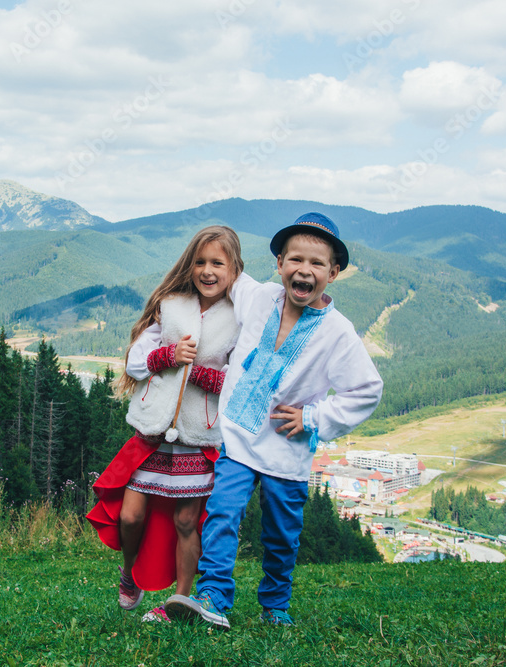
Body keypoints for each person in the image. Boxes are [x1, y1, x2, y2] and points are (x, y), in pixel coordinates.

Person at [164, 212, 383, 630]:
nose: (305, 270)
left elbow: (367, 389)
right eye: (295, 260)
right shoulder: (259, 297)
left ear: (334, 273)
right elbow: (223, 268)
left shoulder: (338, 332)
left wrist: (315, 416)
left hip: (287, 450)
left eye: (317, 264)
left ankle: (275, 605)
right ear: (279, 263)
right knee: (223, 513)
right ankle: (213, 595)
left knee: (282, 534)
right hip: (239, 439)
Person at [86, 225, 243, 623]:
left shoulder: (241, 317)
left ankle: (181, 599)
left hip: (198, 434)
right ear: (189, 265)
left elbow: (244, 378)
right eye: (200, 262)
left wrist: (209, 378)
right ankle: (130, 574)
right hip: (155, 431)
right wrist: (168, 355)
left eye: (217, 263)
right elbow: (136, 360)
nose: (208, 271)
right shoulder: (171, 305)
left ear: (234, 268)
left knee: (187, 520)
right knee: (131, 516)